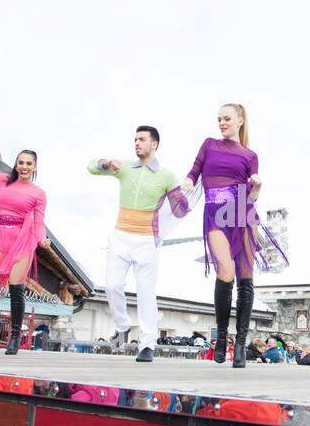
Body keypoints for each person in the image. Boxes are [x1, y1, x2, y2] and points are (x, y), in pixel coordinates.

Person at [181, 104, 286, 368]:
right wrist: (188, 181)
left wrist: (258, 188)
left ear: (240, 121)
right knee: (225, 272)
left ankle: (240, 342)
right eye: (219, 119)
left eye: (227, 118)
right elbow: (195, 171)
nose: (222, 123)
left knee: (246, 278)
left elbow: (251, 196)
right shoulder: (209, 144)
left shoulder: (250, 155)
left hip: (243, 212)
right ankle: (220, 337)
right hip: (216, 213)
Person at [88, 126, 180, 363]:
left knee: (146, 292)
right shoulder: (125, 167)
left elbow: (179, 207)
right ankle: (122, 326)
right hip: (120, 236)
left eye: (142, 139)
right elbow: (91, 166)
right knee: (112, 285)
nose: (137, 143)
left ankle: (147, 345)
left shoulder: (167, 176)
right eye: (135, 139)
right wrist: (106, 163)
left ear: (154, 144)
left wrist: (184, 192)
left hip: (147, 241)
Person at [0, 151, 51, 355]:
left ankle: (14, 337)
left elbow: (39, 223)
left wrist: (42, 239)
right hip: (0, 236)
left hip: (22, 240)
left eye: (28, 163)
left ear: (35, 167)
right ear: (15, 165)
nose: (24, 166)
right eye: (20, 162)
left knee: (16, 287)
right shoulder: (4, 181)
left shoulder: (38, 193)